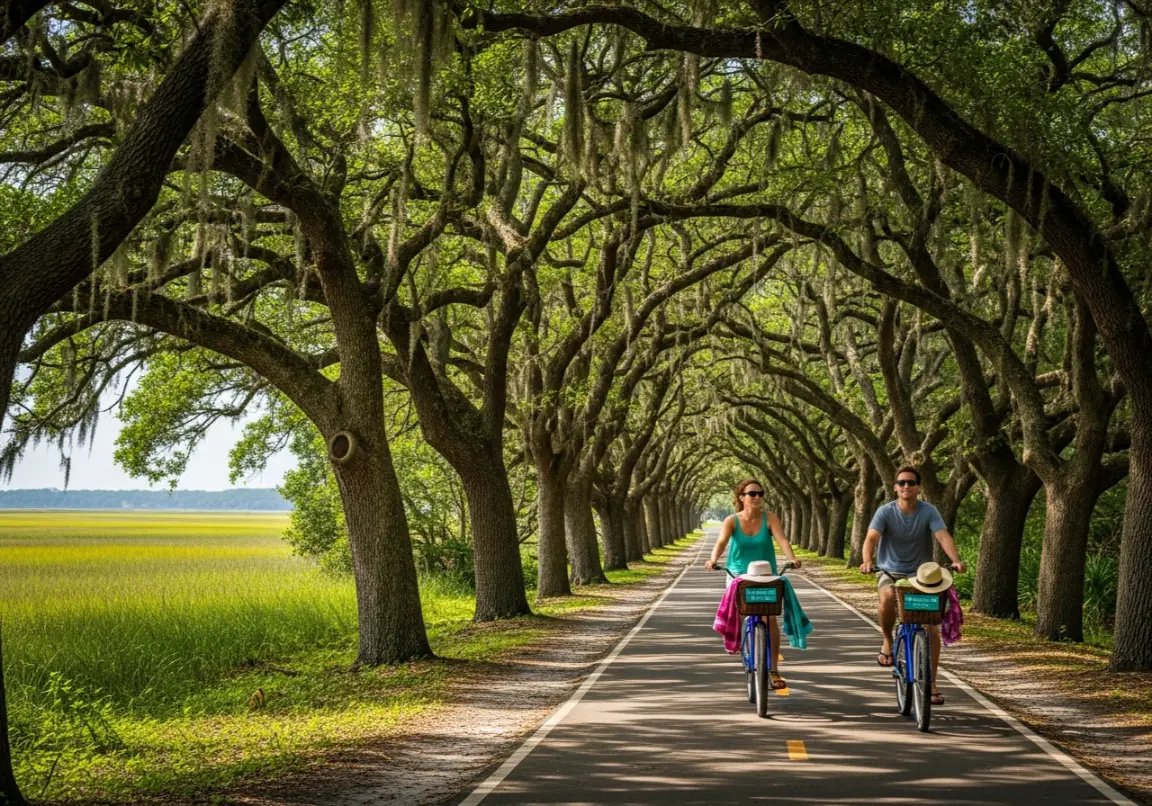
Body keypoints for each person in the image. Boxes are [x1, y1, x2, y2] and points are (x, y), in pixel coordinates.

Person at [860, 466, 967, 705]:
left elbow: (942, 536)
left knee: (931, 627)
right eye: (901, 482)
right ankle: (888, 639)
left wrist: (955, 560)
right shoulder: (885, 512)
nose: (906, 486)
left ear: (918, 487)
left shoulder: (928, 511)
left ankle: (931, 682)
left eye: (910, 482)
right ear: (895, 487)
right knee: (887, 597)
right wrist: (867, 560)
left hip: (921, 575)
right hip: (890, 570)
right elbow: (871, 538)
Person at [705, 478, 801, 690]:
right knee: (740, 612)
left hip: (766, 573)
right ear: (742, 498)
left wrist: (792, 558)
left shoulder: (770, 519)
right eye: (752, 494)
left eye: (760, 493)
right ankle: (740, 641)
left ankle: (774, 669)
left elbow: (782, 540)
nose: (757, 497)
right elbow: (721, 542)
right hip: (739, 574)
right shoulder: (732, 520)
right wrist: (713, 560)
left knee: (770, 619)